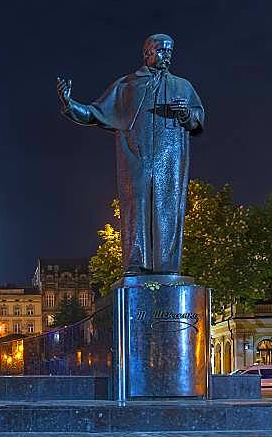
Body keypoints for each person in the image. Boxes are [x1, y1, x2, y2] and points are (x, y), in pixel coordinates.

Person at [57, 34, 204, 275]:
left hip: (170, 160)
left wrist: (186, 113)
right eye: (161, 50)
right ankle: (137, 264)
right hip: (136, 159)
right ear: (147, 53)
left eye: (169, 51)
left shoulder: (183, 86)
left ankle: (167, 267)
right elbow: (94, 113)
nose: (167, 55)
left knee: (169, 209)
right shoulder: (127, 86)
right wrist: (69, 103)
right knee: (136, 209)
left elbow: (198, 120)